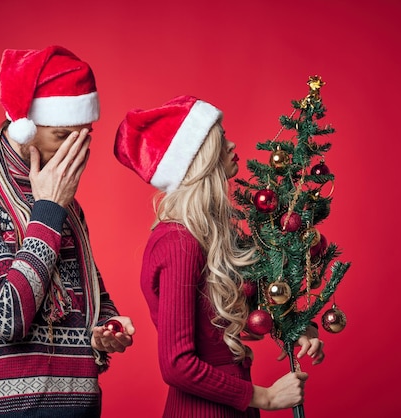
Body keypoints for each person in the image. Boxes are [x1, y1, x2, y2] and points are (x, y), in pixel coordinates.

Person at [0, 45, 135, 418]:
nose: (75, 151)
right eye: (61, 136)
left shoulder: (64, 205)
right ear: (23, 129)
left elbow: (93, 297)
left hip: (84, 407)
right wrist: (49, 210)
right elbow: (8, 317)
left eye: (83, 136)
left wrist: (108, 327)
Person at [114, 95, 324, 417]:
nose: (231, 143)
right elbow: (177, 365)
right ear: (198, 156)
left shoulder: (205, 235)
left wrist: (293, 329)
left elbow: (221, 322)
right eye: (220, 137)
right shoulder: (179, 242)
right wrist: (265, 397)